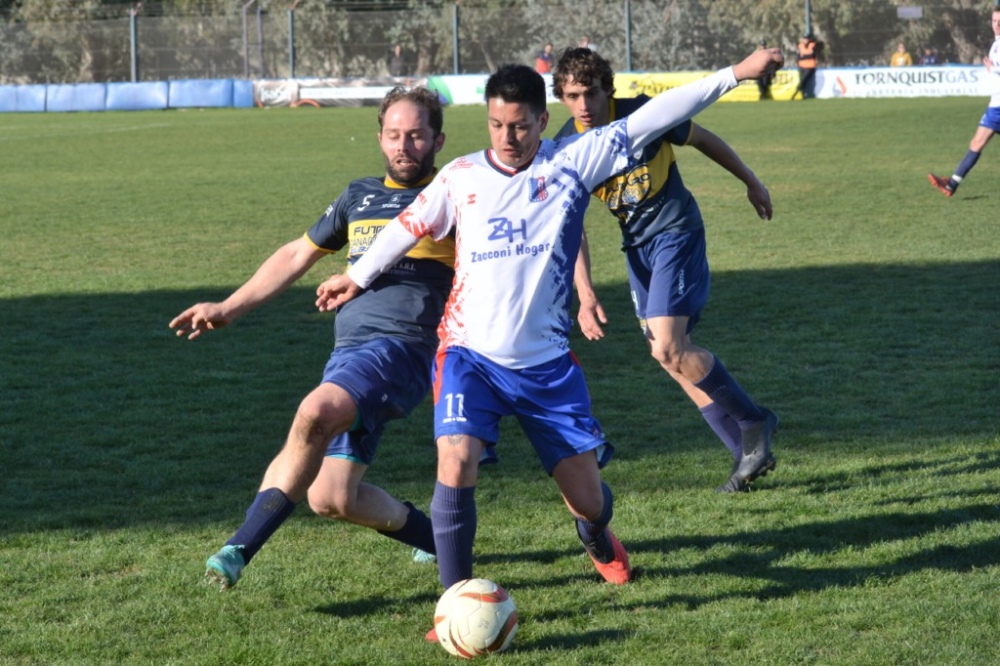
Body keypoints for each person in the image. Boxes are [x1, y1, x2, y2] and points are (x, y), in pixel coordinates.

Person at [315, 48, 784, 639]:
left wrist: (734, 74)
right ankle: (454, 605)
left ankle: (593, 531)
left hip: (545, 367)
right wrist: (354, 277)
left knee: (588, 500)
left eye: (519, 125)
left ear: (542, 121)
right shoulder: (460, 177)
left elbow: (663, 112)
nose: (507, 138)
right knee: (455, 461)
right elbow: (407, 227)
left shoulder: (575, 160)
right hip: (468, 356)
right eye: (496, 125)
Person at [169, 87, 453, 588]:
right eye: (393, 135)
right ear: (380, 137)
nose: (403, 146)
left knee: (313, 413)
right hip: (349, 353)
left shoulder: (452, 197)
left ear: (437, 140)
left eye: (415, 135)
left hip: (402, 349)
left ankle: (240, 548)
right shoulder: (359, 195)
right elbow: (297, 255)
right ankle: (440, 541)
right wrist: (228, 307)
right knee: (332, 497)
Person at [552, 47, 779, 493]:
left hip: (676, 232)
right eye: (572, 95)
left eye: (591, 94)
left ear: (607, 91)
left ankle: (755, 421)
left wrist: (751, 181)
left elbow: (703, 139)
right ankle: (744, 453)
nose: (583, 105)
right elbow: (571, 226)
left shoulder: (642, 114)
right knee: (668, 357)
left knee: (671, 347)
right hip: (636, 249)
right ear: (560, 97)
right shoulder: (567, 148)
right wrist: (586, 293)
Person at [929, 7, 1000, 197]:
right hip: (996, 104)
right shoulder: (996, 44)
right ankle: (951, 184)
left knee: (977, 142)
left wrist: (993, 69)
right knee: (976, 143)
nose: (997, 25)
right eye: (994, 21)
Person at [794, 32, 822, 99]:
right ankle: (802, 95)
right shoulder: (800, 45)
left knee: (803, 80)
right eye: (804, 38)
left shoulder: (813, 45)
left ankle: (797, 90)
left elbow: (814, 55)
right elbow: (798, 56)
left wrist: (804, 56)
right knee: (803, 80)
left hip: (810, 67)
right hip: (801, 66)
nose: (805, 40)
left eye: (807, 38)